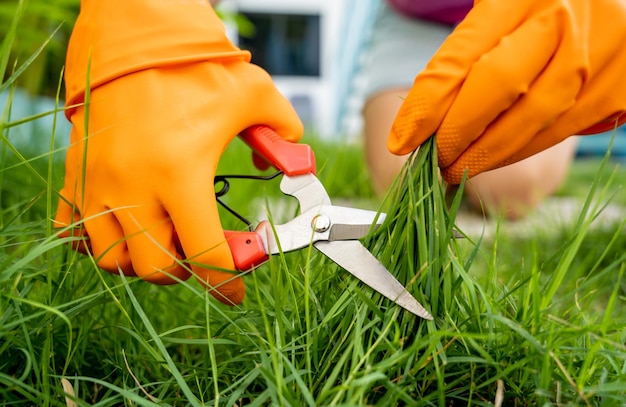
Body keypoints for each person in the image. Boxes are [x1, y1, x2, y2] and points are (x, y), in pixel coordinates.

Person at [56, 0, 626, 306]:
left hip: (539, 13)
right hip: (420, 17)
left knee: (510, 189)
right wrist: (142, 18)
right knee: (408, 165)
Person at [363, 0, 577, 219]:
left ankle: (577, 92)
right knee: (405, 184)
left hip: (528, 16)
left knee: (508, 194)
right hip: (418, 22)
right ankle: (457, 173)